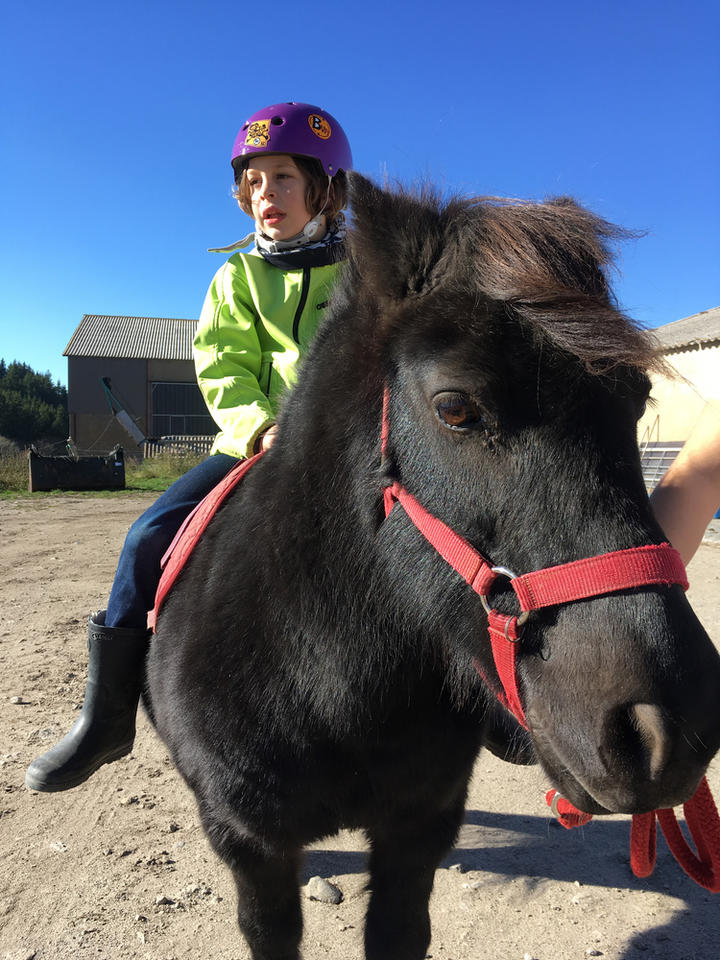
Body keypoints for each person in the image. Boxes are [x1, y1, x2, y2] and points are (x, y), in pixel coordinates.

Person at [25, 101, 352, 792]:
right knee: (145, 537)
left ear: (326, 187)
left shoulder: (365, 274)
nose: (267, 196)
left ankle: (497, 697)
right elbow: (222, 364)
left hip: (351, 451)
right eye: (254, 183)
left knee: (448, 530)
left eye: (285, 178)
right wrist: (260, 426)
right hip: (252, 444)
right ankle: (106, 719)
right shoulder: (237, 280)